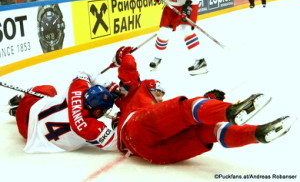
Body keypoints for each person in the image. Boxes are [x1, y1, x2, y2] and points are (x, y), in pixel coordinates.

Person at [110, 46, 294, 165]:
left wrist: (210, 98)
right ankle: (230, 111)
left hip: (152, 153)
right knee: (185, 108)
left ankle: (257, 133)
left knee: (208, 132)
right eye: (159, 93)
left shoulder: (152, 108)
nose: (162, 98)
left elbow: (173, 120)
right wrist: (125, 56)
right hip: (136, 129)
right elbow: (128, 69)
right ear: (151, 87)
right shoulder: (137, 90)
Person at [8, 71, 118, 153]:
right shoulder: (88, 127)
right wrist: (116, 123)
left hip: (27, 108)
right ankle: (21, 103)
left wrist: (108, 84)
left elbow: (84, 73)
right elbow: (115, 143)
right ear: (97, 111)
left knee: (49, 90)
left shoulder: (77, 89)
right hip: (27, 134)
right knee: (49, 92)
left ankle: (22, 98)